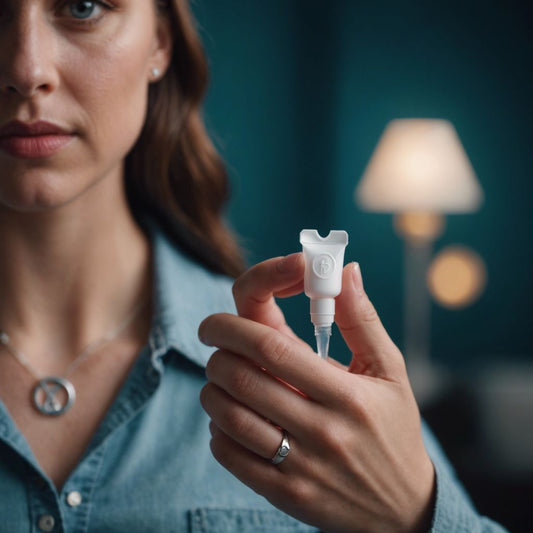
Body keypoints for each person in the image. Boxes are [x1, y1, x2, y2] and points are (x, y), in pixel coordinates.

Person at [0, 1, 507, 532]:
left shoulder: (308, 380)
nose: (26, 69)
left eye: (83, 6)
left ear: (159, 43)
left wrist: (411, 515)